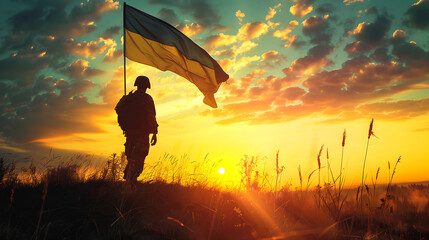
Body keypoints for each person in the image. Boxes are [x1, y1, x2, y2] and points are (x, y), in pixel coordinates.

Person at [121, 76, 158, 186]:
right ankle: (131, 180)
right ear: (147, 86)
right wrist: (155, 133)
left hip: (130, 133)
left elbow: (119, 110)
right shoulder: (147, 99)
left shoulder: (128, 98)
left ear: (137, 84)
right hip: (142, 134)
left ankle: (129, 178)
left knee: (131, 156)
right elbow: (151, 116)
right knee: (140, 155)